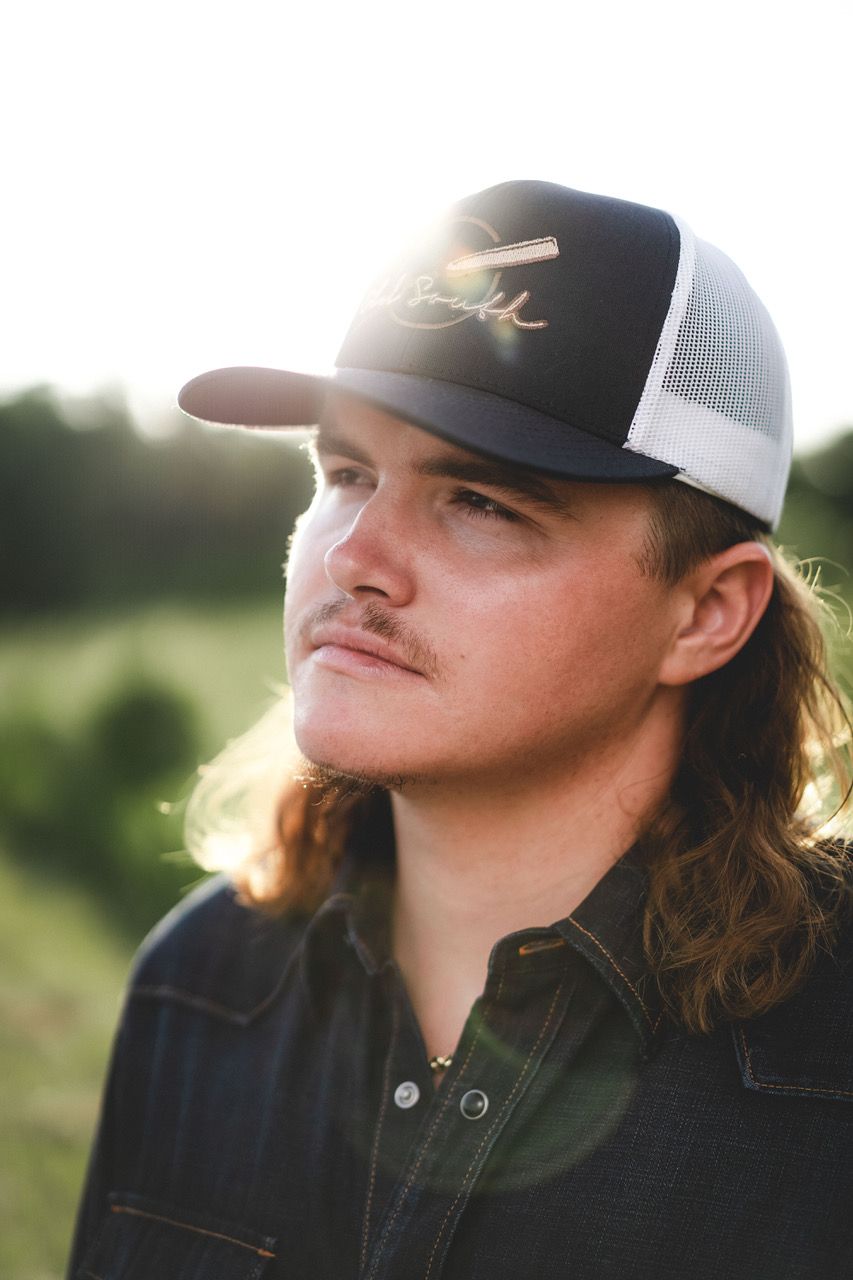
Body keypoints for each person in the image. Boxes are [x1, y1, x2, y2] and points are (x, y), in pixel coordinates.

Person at [68, 180, 852, 1279]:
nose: (353, 556)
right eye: (345, 472)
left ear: (705, 611)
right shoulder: (200, 979)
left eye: (481, 501)